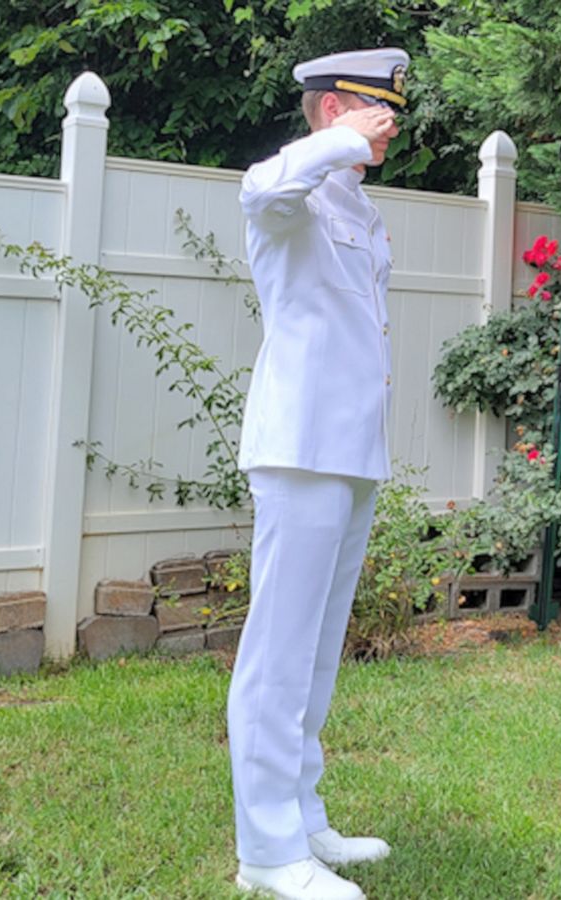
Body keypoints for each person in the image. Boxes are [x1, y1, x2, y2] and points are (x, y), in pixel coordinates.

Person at [229, 47, 408, 900]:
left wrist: (347, 153)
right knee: (279, 650)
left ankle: (301, 817)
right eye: (377, 110)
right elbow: (261, 186)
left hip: (349, 448)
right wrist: (340, 142)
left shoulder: (359, 208)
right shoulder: (293, 197)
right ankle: (265, 852)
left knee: (317, 653)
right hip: (299, 447)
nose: (391, 124)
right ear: (336, 108)